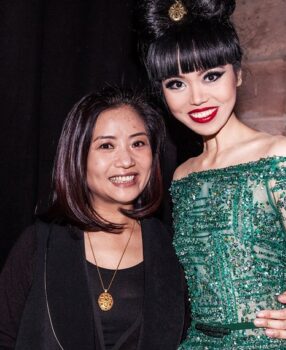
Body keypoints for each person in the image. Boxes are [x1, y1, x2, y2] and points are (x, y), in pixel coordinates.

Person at [139, 0, 286, 348]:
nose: (197, 98)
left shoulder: (281, 156)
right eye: (176, 83)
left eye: (211, 76)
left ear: (237, 73)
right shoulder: (181, 176)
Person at [0, 86, 185, 349]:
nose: (126, 160)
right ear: (78, 156)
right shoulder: (39, 244)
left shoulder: (173, 247)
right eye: (106, 145)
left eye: (138, 143)